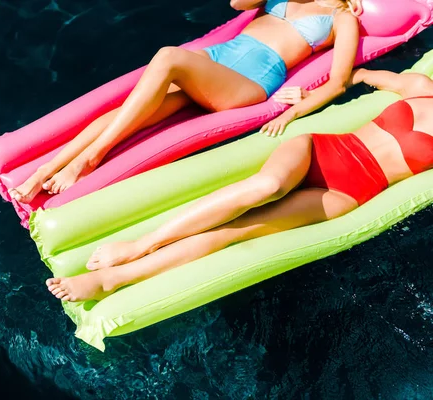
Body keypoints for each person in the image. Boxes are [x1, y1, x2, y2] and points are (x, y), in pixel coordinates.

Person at [46, 67, 433, 302]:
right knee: (267, 187)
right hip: (321, 151)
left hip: (349, 193)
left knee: (235, 232)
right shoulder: (420, 84)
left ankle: (112, 280)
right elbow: (358, 76)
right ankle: (138, 246)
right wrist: (320, 91)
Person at [9, 0, 363, 203]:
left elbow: (339, 81)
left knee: (168, 57)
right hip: (218, 58)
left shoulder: (342, 16)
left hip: (251, 80)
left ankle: (90, 157)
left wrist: (300, 105)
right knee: (127, 113)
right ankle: (44, 171)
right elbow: (237, 3)